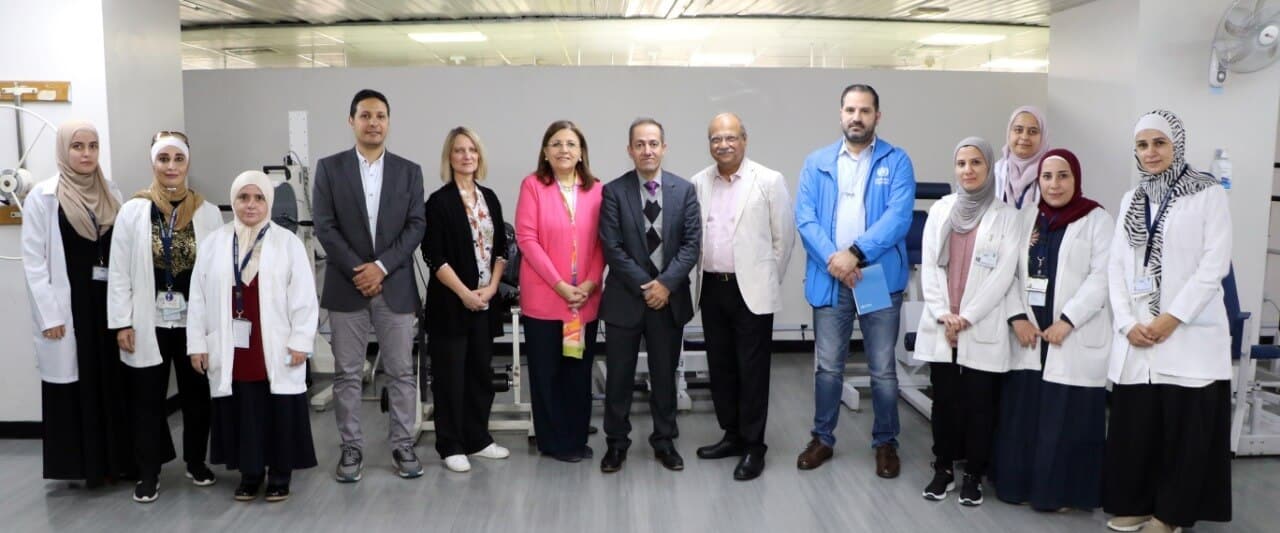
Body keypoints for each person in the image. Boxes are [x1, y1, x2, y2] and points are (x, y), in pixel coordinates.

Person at [1102, 110, 1232, 533]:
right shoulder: (1132, 198)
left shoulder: (1207, 193)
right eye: (1142, 145)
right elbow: (1116, 265)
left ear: (1177, 145)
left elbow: (1214, 265)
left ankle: (1170, 515)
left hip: (1187, 334)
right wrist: (1126, 323)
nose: (1151, 152)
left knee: (1183, 433)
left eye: (1159, 142)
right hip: (1138, 335)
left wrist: (1172, 318)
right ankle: (1138, 504)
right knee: (1139, 429)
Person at [794, 84, 916, 477]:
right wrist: (837, 260)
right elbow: (805, 219)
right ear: (841, 113)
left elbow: (898, 218)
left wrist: (856, 254)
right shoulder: (817, 162)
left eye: (865, 110)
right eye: (850, 110)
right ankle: (822, 439)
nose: (856, 117)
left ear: (877, 116)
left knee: (882, 368)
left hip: (874, 277)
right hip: (832, 277)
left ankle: (886, 443)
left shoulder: (897, 161)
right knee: (829, 367)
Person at [313, 88, 427, 481]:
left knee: (401, 372)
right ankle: (351, 448)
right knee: (347, 373)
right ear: (352, 121)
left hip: (395, 287)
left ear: (388, 122)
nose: (373, 123)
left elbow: (416, 225)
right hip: (347, 287)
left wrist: (381, 267)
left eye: (380, 116)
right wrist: (359, 270)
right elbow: (325, 226)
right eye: (365, 116)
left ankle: (402, 444)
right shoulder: (330, 169)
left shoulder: (409, 171)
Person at [187, 171, 319, 502]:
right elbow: (198, 297)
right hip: (232, 345)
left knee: (278, 407)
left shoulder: (287, 243)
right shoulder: (214, 243)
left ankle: (280, 475)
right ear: (233, 201)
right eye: (243, 197)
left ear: (269, 202)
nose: (251, 204)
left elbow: (305, 297)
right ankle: (250, 473)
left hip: (275, 343)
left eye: (259, 198)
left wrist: (301, 341)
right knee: (243, 407)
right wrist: (197, 344)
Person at [993, 149, 1113, 512]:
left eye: (1063, 176)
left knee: (1066, 419)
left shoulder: (1097, 219)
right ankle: (1018, 486)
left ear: (1076, 178)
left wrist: (1068, 320)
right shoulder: (1026, 217)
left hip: (1072, 334)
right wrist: (1018, 317)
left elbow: (1102, 277)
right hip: (1029, 334)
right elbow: (1007, 273)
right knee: (1025, 417)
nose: (1054, 184)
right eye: (1047, 177)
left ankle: (1062, 495)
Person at [107, 130, 223, 502]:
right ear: (153, 163)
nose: (171, 166)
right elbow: (119, 271)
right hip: (147, 322)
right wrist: (122, 322)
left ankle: (196, 462)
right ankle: (148, 473)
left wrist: (215, 325)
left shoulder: (207, 212)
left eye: (178, 159)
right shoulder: (134, 210)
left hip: (194, 322)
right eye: (163, 159)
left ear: (188, 163)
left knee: (197, 397)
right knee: (147, 401)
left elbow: (217, 272)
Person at [22, 121, 132, 487]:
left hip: (108, 303)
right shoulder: (43, 197)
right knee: (78, 381)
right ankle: (86, 467)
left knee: (112, 380)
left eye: (93, 146)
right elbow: (34, 262)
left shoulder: (111, 192)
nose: (86, 154)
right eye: (78, 146)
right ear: (63, 150)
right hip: (70, 307)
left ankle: (117, 462)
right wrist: (49, 315)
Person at [913, 137, 1021, 507]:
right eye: (961, 164)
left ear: (989, 167)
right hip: (943, 322)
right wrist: (943, 313)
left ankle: (974, 473)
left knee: (980, 405)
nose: (968, 170)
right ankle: (943, 467)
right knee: (944, 402)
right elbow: (929, 265)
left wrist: (967, 317)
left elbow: (1003, 274)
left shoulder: (1007, 217)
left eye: (976, 163)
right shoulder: (941, 210)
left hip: (981, 322)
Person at [690, 113, 794, 481]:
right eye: (716, 138)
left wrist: (765, 280)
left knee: (752, 370)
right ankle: (731, 435)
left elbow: (783, 239)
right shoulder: (698, 183)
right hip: (711, 287)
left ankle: (754, 446)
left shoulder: (769, 180)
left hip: (751, 290)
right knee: (720, 366)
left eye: (730, 137)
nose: (723, 144)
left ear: (744, 139)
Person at [597, 117, 701, 474]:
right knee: (619, 378)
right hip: (626, 300)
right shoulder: (614, 192)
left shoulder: (684, 191)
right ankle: (616, 444)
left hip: (668, 301)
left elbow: (691, 245)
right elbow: (612, 247)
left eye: (653, 143)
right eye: (640, 144)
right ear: (630, 150)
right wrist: (648, 285)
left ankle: (665, 441)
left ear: (664, 148)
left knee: (664, 376)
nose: (647, 150)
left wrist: (665, 285)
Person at [420, 127, 511, 473]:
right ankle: (451, 444)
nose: (466, 156)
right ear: (450, 157)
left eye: (472, 150)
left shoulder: (490, 198)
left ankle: (478, 439)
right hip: (450, 305)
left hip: (485, 303)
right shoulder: (439, 202)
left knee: (480, 374)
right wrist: (464, 294)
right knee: (450, 377)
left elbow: (501, 250)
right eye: (459, 150)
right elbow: (434, 256)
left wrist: (492, 288)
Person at [515, 120, 606, 463]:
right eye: (556, 144)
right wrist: (561, 286)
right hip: (546, 299)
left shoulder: (597, 190)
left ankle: (575, 438)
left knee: (577, 372)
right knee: (546, 373)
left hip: (582, 302)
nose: (563, 150)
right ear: (545, 152)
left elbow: (603, 243)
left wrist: (588, 285)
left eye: (570, 144)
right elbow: (527, 239)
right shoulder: (533, 186)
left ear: (581, 152)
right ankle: (553, 442)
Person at [994, 106, 1048, 209]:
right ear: (1009, 133)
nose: (1024, 137)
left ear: (1043, 136)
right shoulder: (995, 172)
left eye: (1033, 131)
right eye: (1018, 130)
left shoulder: (1052, 171)